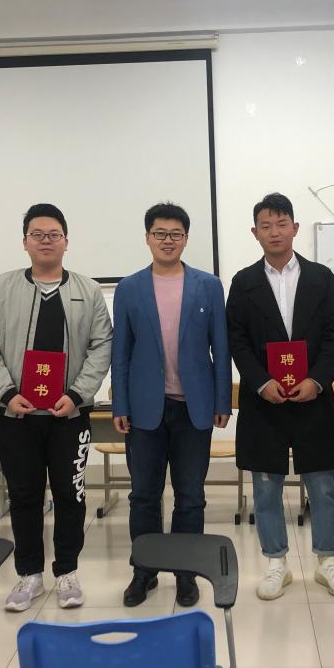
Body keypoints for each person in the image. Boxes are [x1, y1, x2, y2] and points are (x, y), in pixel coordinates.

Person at [0, 203, 112, 611]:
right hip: (17, 415)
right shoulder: (3, 287)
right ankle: (29, 574)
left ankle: (67, 572)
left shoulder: (88, 290)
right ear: (25, 243)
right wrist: (5, 392)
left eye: (54, 234)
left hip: (69, 415)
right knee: (24, 496)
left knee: (71, 494)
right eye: (37, 234)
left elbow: (102, 345)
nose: (46, 241)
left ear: (66, 242)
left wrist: (78, 394)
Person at [226, 192, 334, 600]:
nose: (275, 232)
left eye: (282, 224)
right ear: (255, 233)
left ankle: (327, 560)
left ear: (295, 228)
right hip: (264, 401)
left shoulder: (321, 277)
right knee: (266, 486)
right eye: (266, 226)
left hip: (311, 398)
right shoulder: (243, 282)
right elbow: (236, 340)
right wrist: (260, 382)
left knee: (323, 483)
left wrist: (317, 380)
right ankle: (275, 562)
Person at [111, 203, 231, 607]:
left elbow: (221, 347)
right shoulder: (129, 288)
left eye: (175, 234)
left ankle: (186, 573)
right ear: (147, 237)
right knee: (143, 495)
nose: (167, 240)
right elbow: (121, 352)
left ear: (186, 238)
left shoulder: (208, 286)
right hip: (146, 407)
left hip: (193, 408)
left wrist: (222, 400)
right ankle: (144, 571)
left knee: (190, 496)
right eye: (159, 233)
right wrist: (120, 404)